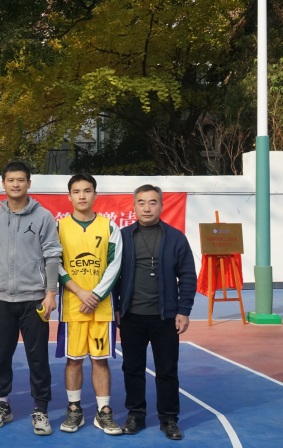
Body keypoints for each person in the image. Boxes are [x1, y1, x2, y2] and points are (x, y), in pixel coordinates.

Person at [114, 184, 196, 440]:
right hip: (131, 316)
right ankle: (135, 415)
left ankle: (169, 419)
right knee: (132, 368)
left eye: (152, 202)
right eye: (141, 202)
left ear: (161, 205)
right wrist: (117, 307)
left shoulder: (176, 237)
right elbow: (112, 276)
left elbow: (188, 276)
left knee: (167, 370)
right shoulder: (122, 237)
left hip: (165, 317)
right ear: (134, 206)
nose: (146, 207)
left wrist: (183, 310)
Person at [0, 161, 61, 435]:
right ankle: (2, 404)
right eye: (10, 180)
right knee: (0, 357)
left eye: (21, 180)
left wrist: (50, 293)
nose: (15, 184)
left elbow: (52, 255)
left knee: (38, 359)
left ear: (29, 183)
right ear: (3, 184)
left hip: (35, 301)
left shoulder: (44, 216)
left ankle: (41, 409)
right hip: (1, 300)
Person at [56, 173, 123, 436]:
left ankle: (103, 411)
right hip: (72, 307)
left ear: (95, 194)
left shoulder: (109, 227)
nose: (82, 196)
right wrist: (79, 292)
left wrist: (94, 295)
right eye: (76, 191)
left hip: (101, 308)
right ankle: (74, 409)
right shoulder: (59, 227)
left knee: (100, 361)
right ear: (69, 196)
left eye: (87, 190)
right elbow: (55, 263)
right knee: (73, 361)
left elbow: (115, 265)